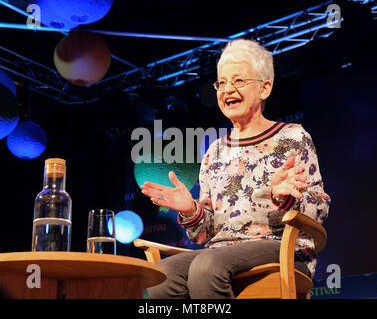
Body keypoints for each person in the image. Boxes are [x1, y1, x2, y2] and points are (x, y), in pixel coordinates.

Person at [140, 38, 330, 299]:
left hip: (280, 248)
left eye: (239, 81)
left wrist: (287, 198)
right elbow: (204, 233)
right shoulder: (214, 151)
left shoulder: (293, 138)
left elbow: (319, 208)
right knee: (160, 276)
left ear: (264, 89)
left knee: (206, 267)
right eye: (222, 82)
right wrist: (191, 210)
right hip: (221, 252)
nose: (227, 89)